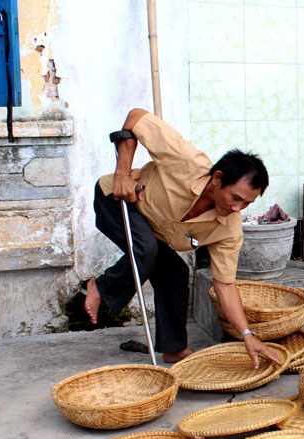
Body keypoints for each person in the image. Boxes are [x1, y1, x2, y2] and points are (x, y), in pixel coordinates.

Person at [83, 108, 281, 367]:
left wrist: (247, 335)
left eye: (246, 203)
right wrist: (123, 174)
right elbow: (136, 118)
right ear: (217, 179)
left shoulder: (229, 229)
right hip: (117, 200)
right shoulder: (187, 162)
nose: (237, 209)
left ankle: (173, 348)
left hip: (151, 231)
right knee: (146, 249)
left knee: (175, 271)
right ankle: (99, 287)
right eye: (235, 198)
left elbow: (225, 285)